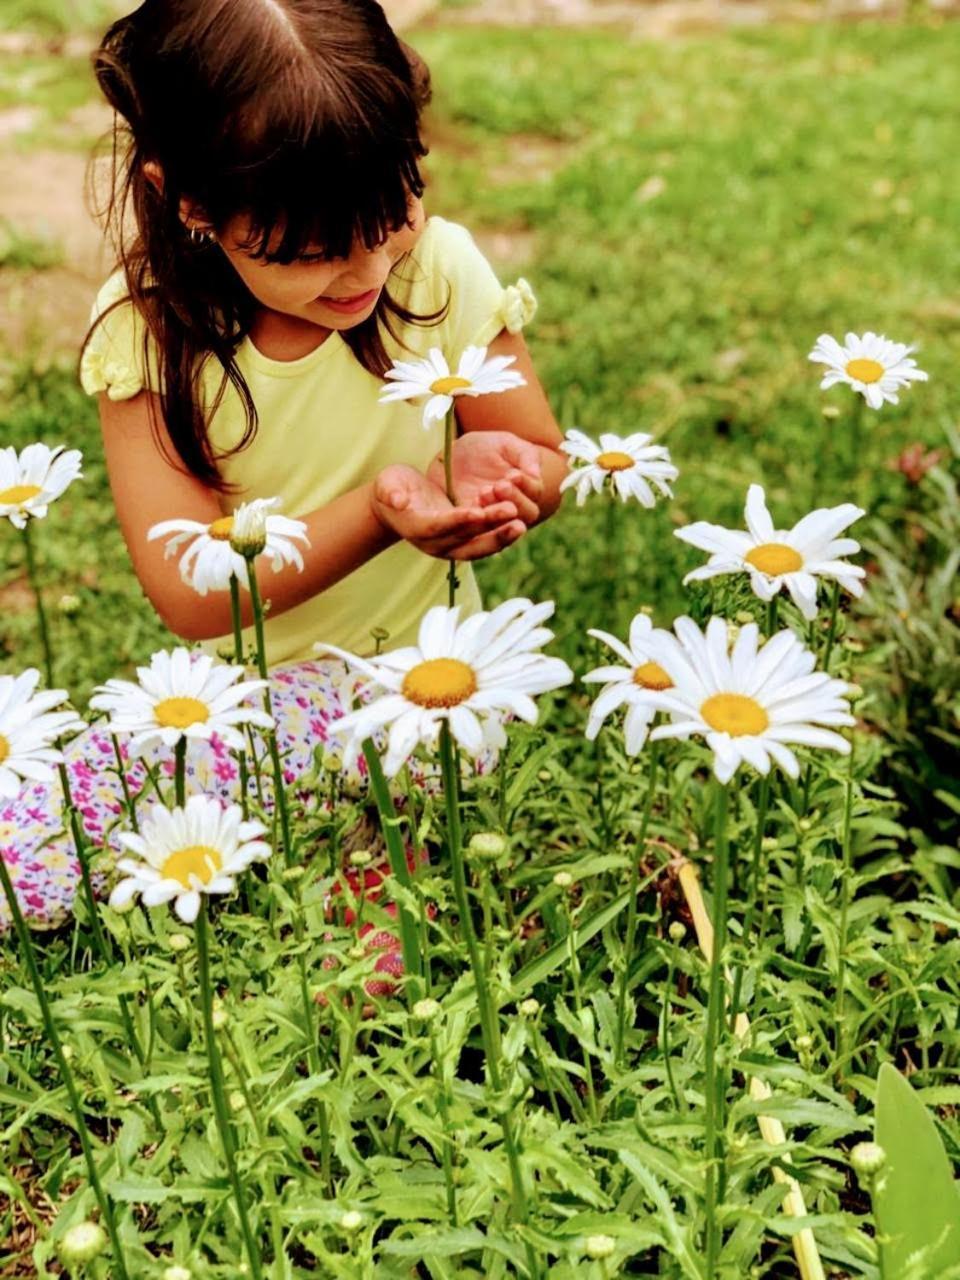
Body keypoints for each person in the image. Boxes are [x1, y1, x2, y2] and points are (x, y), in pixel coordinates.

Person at [1, 0, 566, 931]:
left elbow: (541, 455)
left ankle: (371, 859)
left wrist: (507, 480)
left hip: (427, 686)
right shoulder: (147, 332)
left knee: (371, 927)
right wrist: (384, 511)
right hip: (230, 707)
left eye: (391, 216)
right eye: (309, 252)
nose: (364, 268)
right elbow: (190, 591)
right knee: (34, 842)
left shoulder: (437, 272)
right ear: (189, 201)